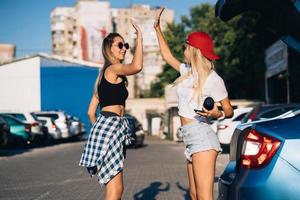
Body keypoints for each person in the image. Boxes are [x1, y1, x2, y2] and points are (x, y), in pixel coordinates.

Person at [154, 8, 233, 200]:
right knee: (194, 194)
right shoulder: (186, 71)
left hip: (202, 138)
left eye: (185, 46)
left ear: (194, 50)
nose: (183, 50)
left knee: (204, 197)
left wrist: (217, 114)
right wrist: (157, 29)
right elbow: (167, 56)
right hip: (189, 138)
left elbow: (229, 110)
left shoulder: (213, 79)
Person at [79, 20, 143, 200]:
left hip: (112, 127)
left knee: (115, 187)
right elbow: (137, 66)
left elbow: (90, 112)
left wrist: (100, 133)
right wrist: (140, 38)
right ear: (109, 49)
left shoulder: (103, 77)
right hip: (112, 126)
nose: (124, 49)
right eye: (120, 45)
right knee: (116, 189)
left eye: (126, 45)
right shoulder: (113, 69)